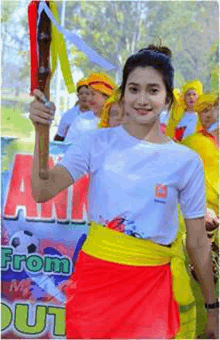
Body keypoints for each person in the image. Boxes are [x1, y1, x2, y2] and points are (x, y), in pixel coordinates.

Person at [29, 45, 218, 339]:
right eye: (134, 89)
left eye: (153, 90)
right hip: (96, 284)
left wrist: (212, 306)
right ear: (122, 94)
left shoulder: (185, 161)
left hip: (152, 289)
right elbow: (42, 190)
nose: (142, 99)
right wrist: (41, 131)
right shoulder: (96, 143)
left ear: (168, 98)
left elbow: (197, 241)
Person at [65, 72, 116, 143]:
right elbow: (68, 147)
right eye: (89, 94)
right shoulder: (81, 120)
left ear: (106, 95)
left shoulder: (117, 121)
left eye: (93, 94)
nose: (89, 98)